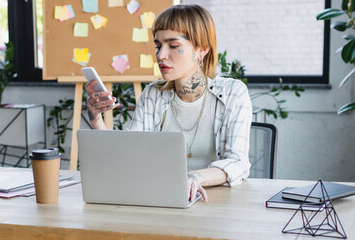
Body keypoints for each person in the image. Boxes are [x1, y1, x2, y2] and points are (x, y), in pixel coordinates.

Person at [85, 4, 252, 202]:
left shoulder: (233, 93)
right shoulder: (153, 94)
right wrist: (96, 119)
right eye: (158, 46)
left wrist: (194, 178)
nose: (161, 55)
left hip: (216, 201)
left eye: (173, 45)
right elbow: (127, 157)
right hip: (161, 198)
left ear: (202, 50)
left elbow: (238, 162)